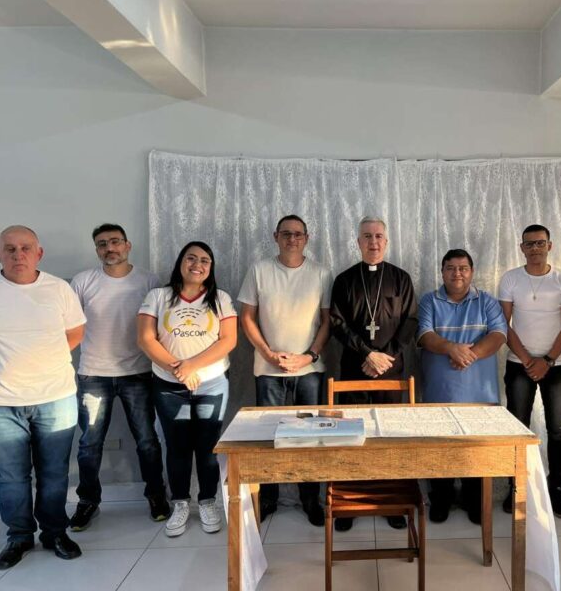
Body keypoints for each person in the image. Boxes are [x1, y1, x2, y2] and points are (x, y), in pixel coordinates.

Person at [0, 225, 86, 569]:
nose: (18, 254)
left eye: (26, 247)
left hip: (55, 397)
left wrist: (43, 360)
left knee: (54, 473)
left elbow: (76, 331)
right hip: (0, 401)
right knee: (12, 476)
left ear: (39, 253)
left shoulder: (58, 289)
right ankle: (19, 536)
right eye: (10, 249)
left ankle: (54, 532)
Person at [69, 223, 169, 532]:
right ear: (96, 249)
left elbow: (160, 326)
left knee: (147, 441)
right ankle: (88, 501)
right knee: (89, 443)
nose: (109, 248)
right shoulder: (82, 281)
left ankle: (156, 495)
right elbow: (69, 325)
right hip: (93, 375)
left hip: (138, 374)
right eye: (102, 244)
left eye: (115, 242)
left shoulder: (149, 281)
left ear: (127, 245)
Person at [137, 241, 237, 538]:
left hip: (212, 383)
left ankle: (207, 501)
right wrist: (177, 370)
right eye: (191, 258)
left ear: (211, 268)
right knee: (177, 446)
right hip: (169, 386)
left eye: (205, 260)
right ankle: (180, 503)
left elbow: (228, 341)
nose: (197, 264)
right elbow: (146, 339)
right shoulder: (158, 296)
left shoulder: (220, 298)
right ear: (180, 262)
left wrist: (191, 366)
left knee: (208, 447)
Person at [238, 215, 332, 527]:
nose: (292, 239)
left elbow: (327, 321)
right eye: (286, 234)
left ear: (307, 238)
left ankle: (310, 499)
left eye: (298, 234)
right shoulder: (259, 270)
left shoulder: (321, 273)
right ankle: (269, 498)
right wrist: (267, 353)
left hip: (309, 370)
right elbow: (247, 317)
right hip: (269, 370)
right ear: (275, 236)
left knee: (309, 438)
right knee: (270, 436)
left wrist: (309, 356)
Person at [330, 216, 417, 531]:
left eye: (378, 236)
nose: (373, 241)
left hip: (390, 370)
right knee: (352, 435)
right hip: (355, 368)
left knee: (389, 435)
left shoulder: (401, 278)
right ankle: (350, 501)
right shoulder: (344, 280)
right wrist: (367, 354)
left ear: (386, 241)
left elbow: (410, 321)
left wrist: (384, 358)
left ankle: (391, 501)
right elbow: (337, 323)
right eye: (367, 236)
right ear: (358, 242)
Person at [418, 249, 507, 524]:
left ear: (472, 271)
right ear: (442, 271)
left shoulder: (487, 301)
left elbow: (499, 334)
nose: (457, 273)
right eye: (451, 268)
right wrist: (451, 348)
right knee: (439, 448)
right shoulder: (429, 300)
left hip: (480, 394)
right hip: (439, 391)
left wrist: (469, 354)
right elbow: (425, 335)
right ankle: (441, 499)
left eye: (463, 268)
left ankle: (474, 500)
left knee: (476, 449)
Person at [498, 224, 561, 518]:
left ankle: (556, 490)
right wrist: (529, 360)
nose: (535, 248)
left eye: (540, 243)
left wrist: (547, 360)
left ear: (549, 246)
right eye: (529, 244)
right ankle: (516, 488)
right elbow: (503, 325)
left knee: (558, 429)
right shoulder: (511, 279)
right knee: (518, 428)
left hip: (557, 364)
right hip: (519, 364)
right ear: (522, 248)